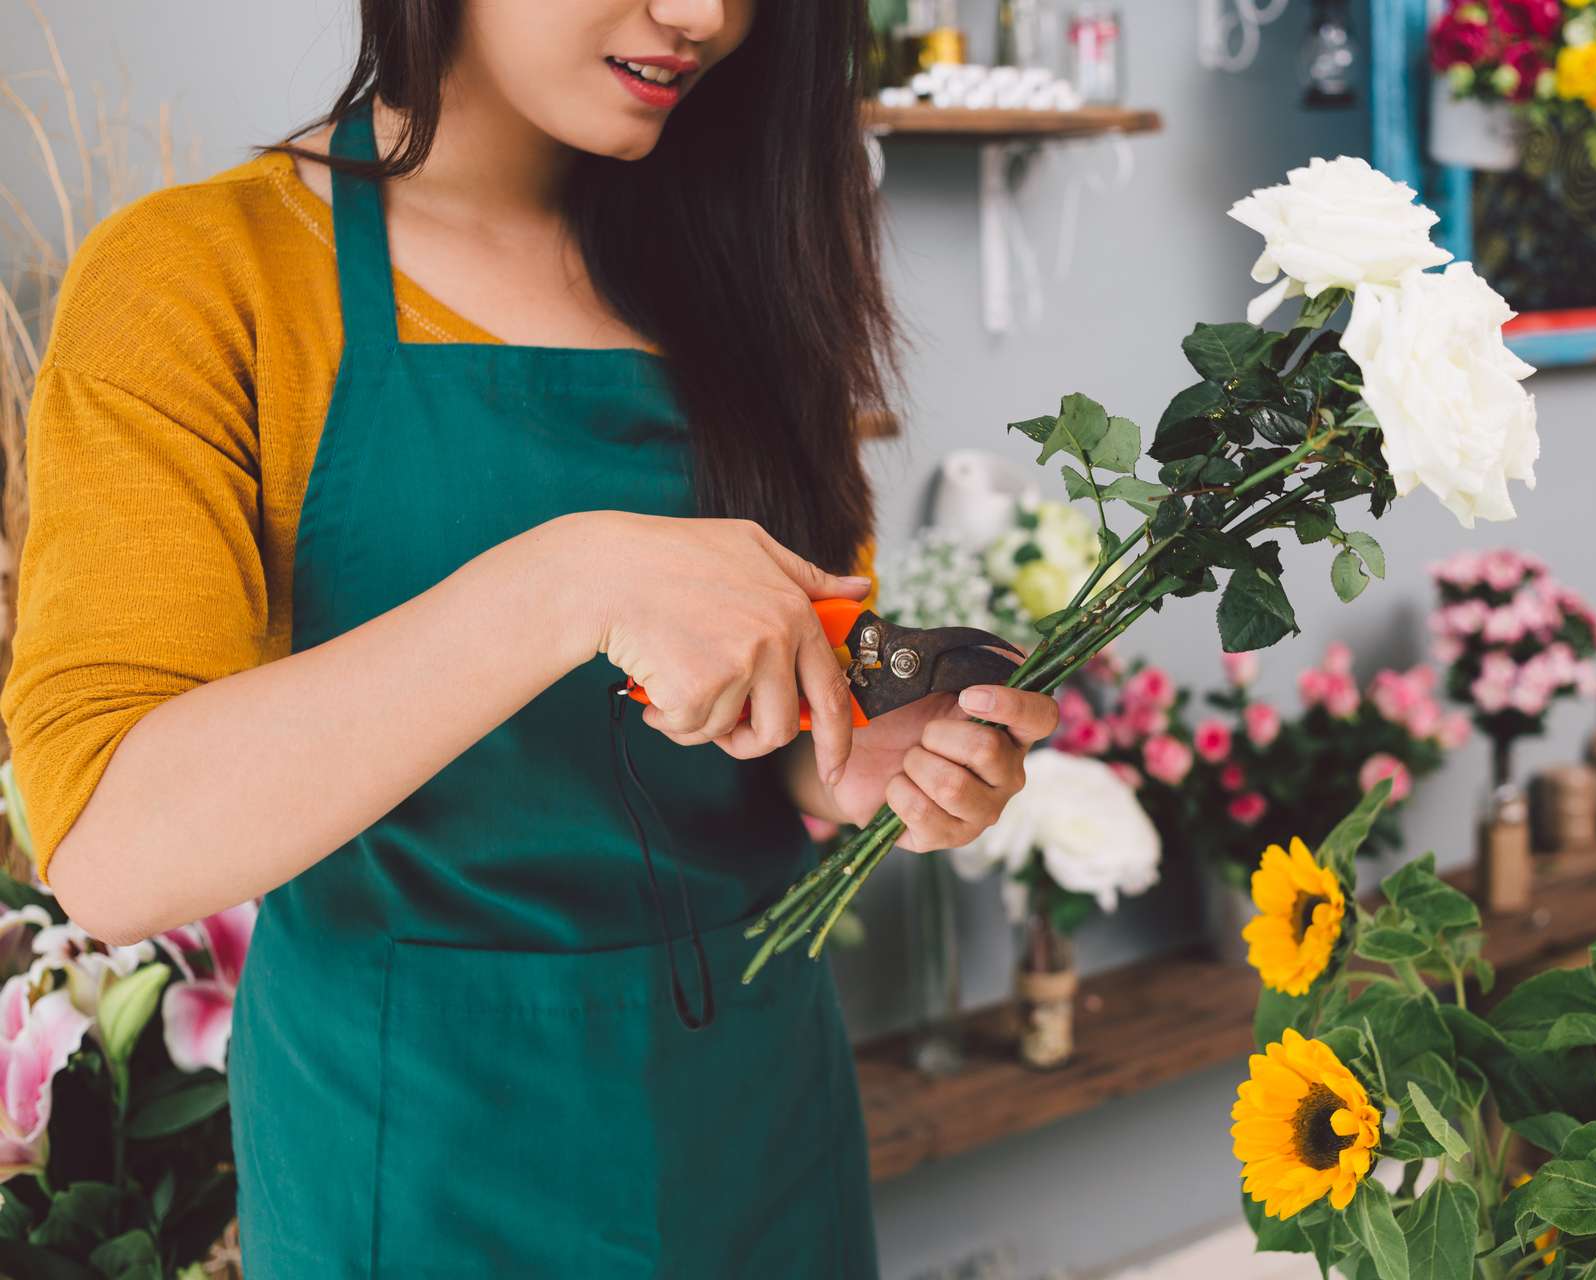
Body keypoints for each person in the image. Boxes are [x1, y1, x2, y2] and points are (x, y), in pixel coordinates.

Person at [1, 2, 1060, 1275]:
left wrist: (853, 757)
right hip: (412, 1156)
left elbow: (791, 678)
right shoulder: (202, 276)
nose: (704, 16)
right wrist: (567, 579)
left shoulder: (749, 263)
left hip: (755, 1117)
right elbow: (115, 845)